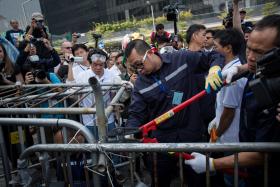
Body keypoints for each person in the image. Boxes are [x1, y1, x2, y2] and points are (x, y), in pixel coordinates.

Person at [185, 14, 280, 187]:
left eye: (259, 52)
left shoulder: (274, 92)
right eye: (248, 49)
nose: (250, 57)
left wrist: (212, 163)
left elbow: (262, 152)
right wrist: (238, 69)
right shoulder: (258, 69)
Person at [124, 39, 224, 187]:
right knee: (159, 181)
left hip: (192, 136)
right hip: (162, 143)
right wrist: (130, 132)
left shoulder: (182, 59)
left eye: (139, 64)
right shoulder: (140, 84)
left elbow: (215, 56)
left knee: (198, 181)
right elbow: (136, 113)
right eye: (134, 67)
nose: (139, 70)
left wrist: (214, 69)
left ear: (150, 53)